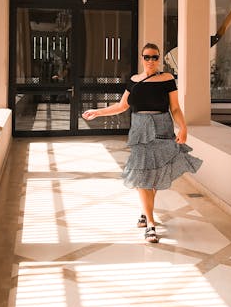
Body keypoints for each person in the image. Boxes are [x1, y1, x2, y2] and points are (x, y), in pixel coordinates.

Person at [82, 42, 202, 243]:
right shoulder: (134, 80)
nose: (151, 61)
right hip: (139, 131)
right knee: (141, 174)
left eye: (155, 57)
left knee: (153, 176)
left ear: (159, 59)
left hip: (162, 129)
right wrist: (98, 112)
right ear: (142, 58)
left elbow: (175, 108)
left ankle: (145, 213)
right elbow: (122, 106)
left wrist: (183, 127)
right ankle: (151, 224)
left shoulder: (167, 79)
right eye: (147, 57)